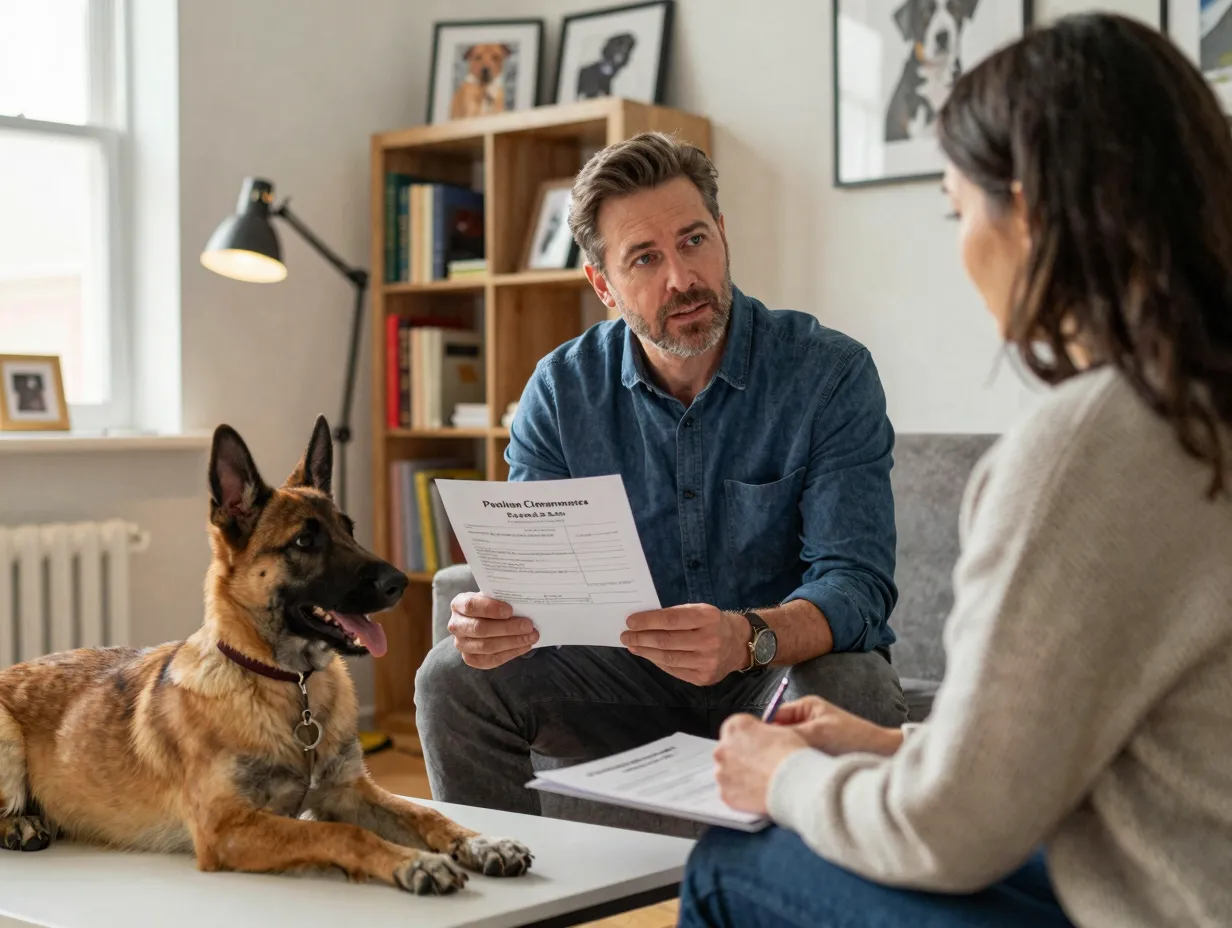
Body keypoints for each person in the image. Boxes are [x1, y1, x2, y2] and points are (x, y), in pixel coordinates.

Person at [678, 13, 1232, 927]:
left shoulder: (1089, 447)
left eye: (958, 208)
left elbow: (956, 833)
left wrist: (783, 778)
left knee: (734, 858)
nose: (963, 244)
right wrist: (890, 744)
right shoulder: (1197, 406)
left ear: (1036, 213)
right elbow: (1105, 745)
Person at [415, 131, 909, 829]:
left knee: (855, 682)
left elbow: (857, 585)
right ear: (603, 287)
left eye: (694, 240)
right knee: (451, 679)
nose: (681, 277)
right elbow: (536, 587)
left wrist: (746, 637)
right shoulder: (560, 392)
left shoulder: (828, 375)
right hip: (620, 683)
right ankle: (503, 895)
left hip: (770, 678)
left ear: (724, 237)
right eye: (645, 258)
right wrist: (494, 619)